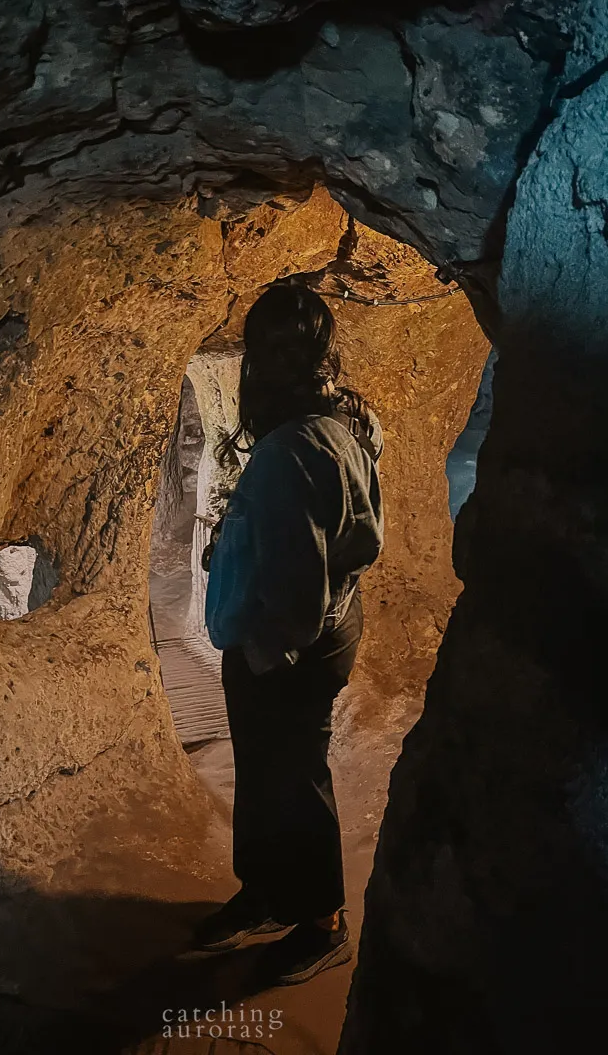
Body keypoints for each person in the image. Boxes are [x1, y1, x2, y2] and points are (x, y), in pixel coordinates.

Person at [193, 281, 383, 986]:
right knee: (267, 769)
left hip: (287, 641)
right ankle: (268, 892)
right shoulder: (345, 422)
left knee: (294, 775)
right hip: (324, 624)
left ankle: (322, 921)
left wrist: (268, 652)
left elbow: (299, 578)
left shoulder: (291, 450)